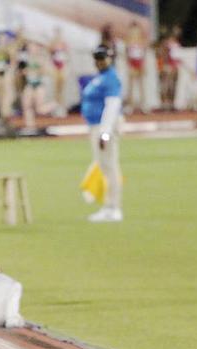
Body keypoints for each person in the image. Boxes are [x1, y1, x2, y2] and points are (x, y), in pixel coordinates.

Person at [82, 45, 123, 222]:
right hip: (96, 125)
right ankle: (108, 205)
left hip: (103, 127)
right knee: (104, 165)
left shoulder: (111, 78)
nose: (99, 62)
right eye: (97, 59)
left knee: (109, 166)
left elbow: (112, 106)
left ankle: (113, 207)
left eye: (102, 58)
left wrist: (105, 133)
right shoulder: (101, 77)